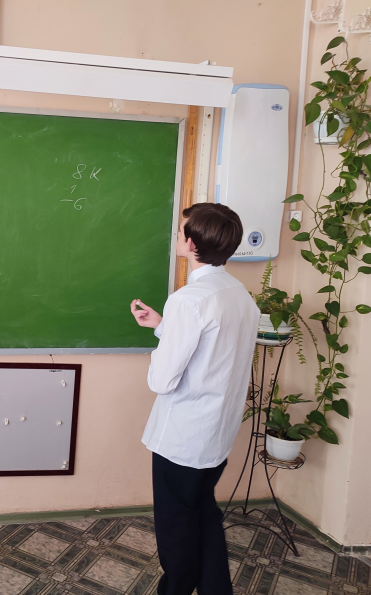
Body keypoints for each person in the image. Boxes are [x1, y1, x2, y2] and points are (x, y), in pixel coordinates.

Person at [130, 203, 259, 595]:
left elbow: (163, 380)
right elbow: (212, 350)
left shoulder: (188, 300)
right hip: (216, 434)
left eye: (181, 229)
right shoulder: (240, 295)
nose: (178, 234)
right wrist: (165, 327)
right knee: (203, 513)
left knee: (176, 528)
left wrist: (166, 341)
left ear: (191, 243)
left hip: (183, 437)